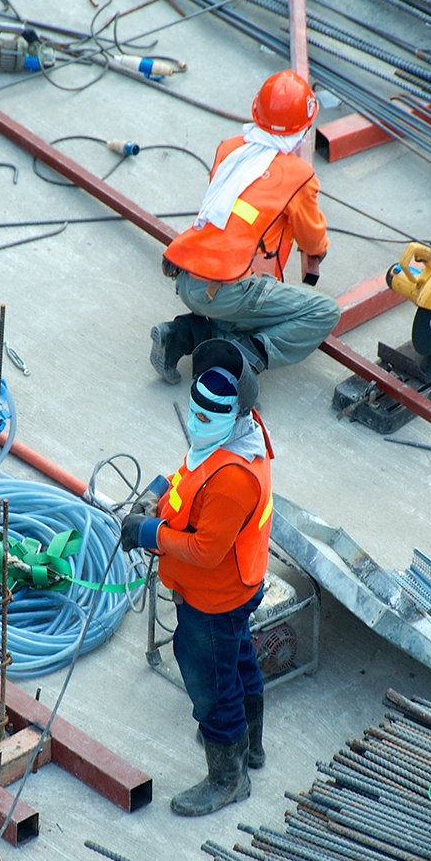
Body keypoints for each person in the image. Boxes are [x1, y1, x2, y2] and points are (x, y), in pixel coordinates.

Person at [121, 339, 273, 816]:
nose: (199, 423)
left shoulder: (234, 478)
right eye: (196, 412)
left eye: (210, 417)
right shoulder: (233, 437)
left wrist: (150, 531)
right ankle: (249, 748)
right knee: (238, 660)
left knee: (212, 686)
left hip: (215, 597)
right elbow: (191, 475)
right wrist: (158, 493)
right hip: (235, 588)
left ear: (236, 412)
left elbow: (207, 551)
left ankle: (229, 778)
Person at [150, 70, 341, 385]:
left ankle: (180, 336)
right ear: (304, 127)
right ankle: (244, 357)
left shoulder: (231, 148)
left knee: (246, 308)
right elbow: (311, 239)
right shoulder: (298, 175)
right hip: (226, 288)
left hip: (187, 276)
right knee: (323, 312)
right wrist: (317, 252)